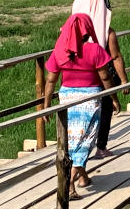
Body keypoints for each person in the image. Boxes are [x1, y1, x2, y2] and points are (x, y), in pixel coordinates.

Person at [42, 13, 119, 199]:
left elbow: (51, 80)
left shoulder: (59, 51)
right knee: (86, 141)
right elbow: (105, 77)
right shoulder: (95, 50)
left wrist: (46, 105)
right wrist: (113, 98)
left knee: (72, 141)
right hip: (90, 99)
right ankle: (69, 184)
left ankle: (83, 178)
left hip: (67, 98)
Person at [71, 0, 128, 159]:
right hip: (102, 78)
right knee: (105, 110)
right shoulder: (107, 33)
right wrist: (124, 80)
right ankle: (101, 146)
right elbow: (116, 57)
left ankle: (78, 151)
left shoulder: (76, 34)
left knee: (83, 115)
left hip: (80, 76)